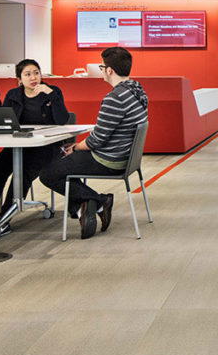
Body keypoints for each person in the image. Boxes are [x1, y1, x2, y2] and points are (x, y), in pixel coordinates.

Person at [0, 59, 71, 238]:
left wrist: (52, 95)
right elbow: (3, 120)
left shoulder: (52, 92)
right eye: (28, 74)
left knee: (21, 174)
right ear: (19, 79)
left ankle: (4, 219)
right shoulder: (14, 94)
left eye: (36, 73)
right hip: (19, 145)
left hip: (44, 148)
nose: (33, 78)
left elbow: (62, 120)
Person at [39, 46, 148, 239]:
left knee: (49, 173)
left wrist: (76, 146)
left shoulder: (114, 98)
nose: (101, 71)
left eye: (102, 67)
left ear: (109, 70)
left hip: (109, 160)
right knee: (66, 167)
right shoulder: (136, 91)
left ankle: (99, 202)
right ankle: (86, 207)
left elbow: (97, 140)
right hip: (125, 158)